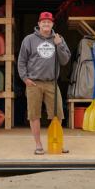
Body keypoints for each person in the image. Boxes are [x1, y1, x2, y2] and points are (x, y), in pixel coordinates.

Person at [18, 11, 71, 155]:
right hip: (33, 83)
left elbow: (65, 60)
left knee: (58, 114)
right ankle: (38, 145)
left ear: (52, 24)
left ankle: (56, 143)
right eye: (43, 22)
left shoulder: (58, 38)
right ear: (39, 24)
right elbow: (21, 61)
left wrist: (59, 45)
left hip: (51, 83)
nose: (46, 24)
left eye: (49, 22)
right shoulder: (29, 40)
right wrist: (25, 78)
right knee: (34, 115)